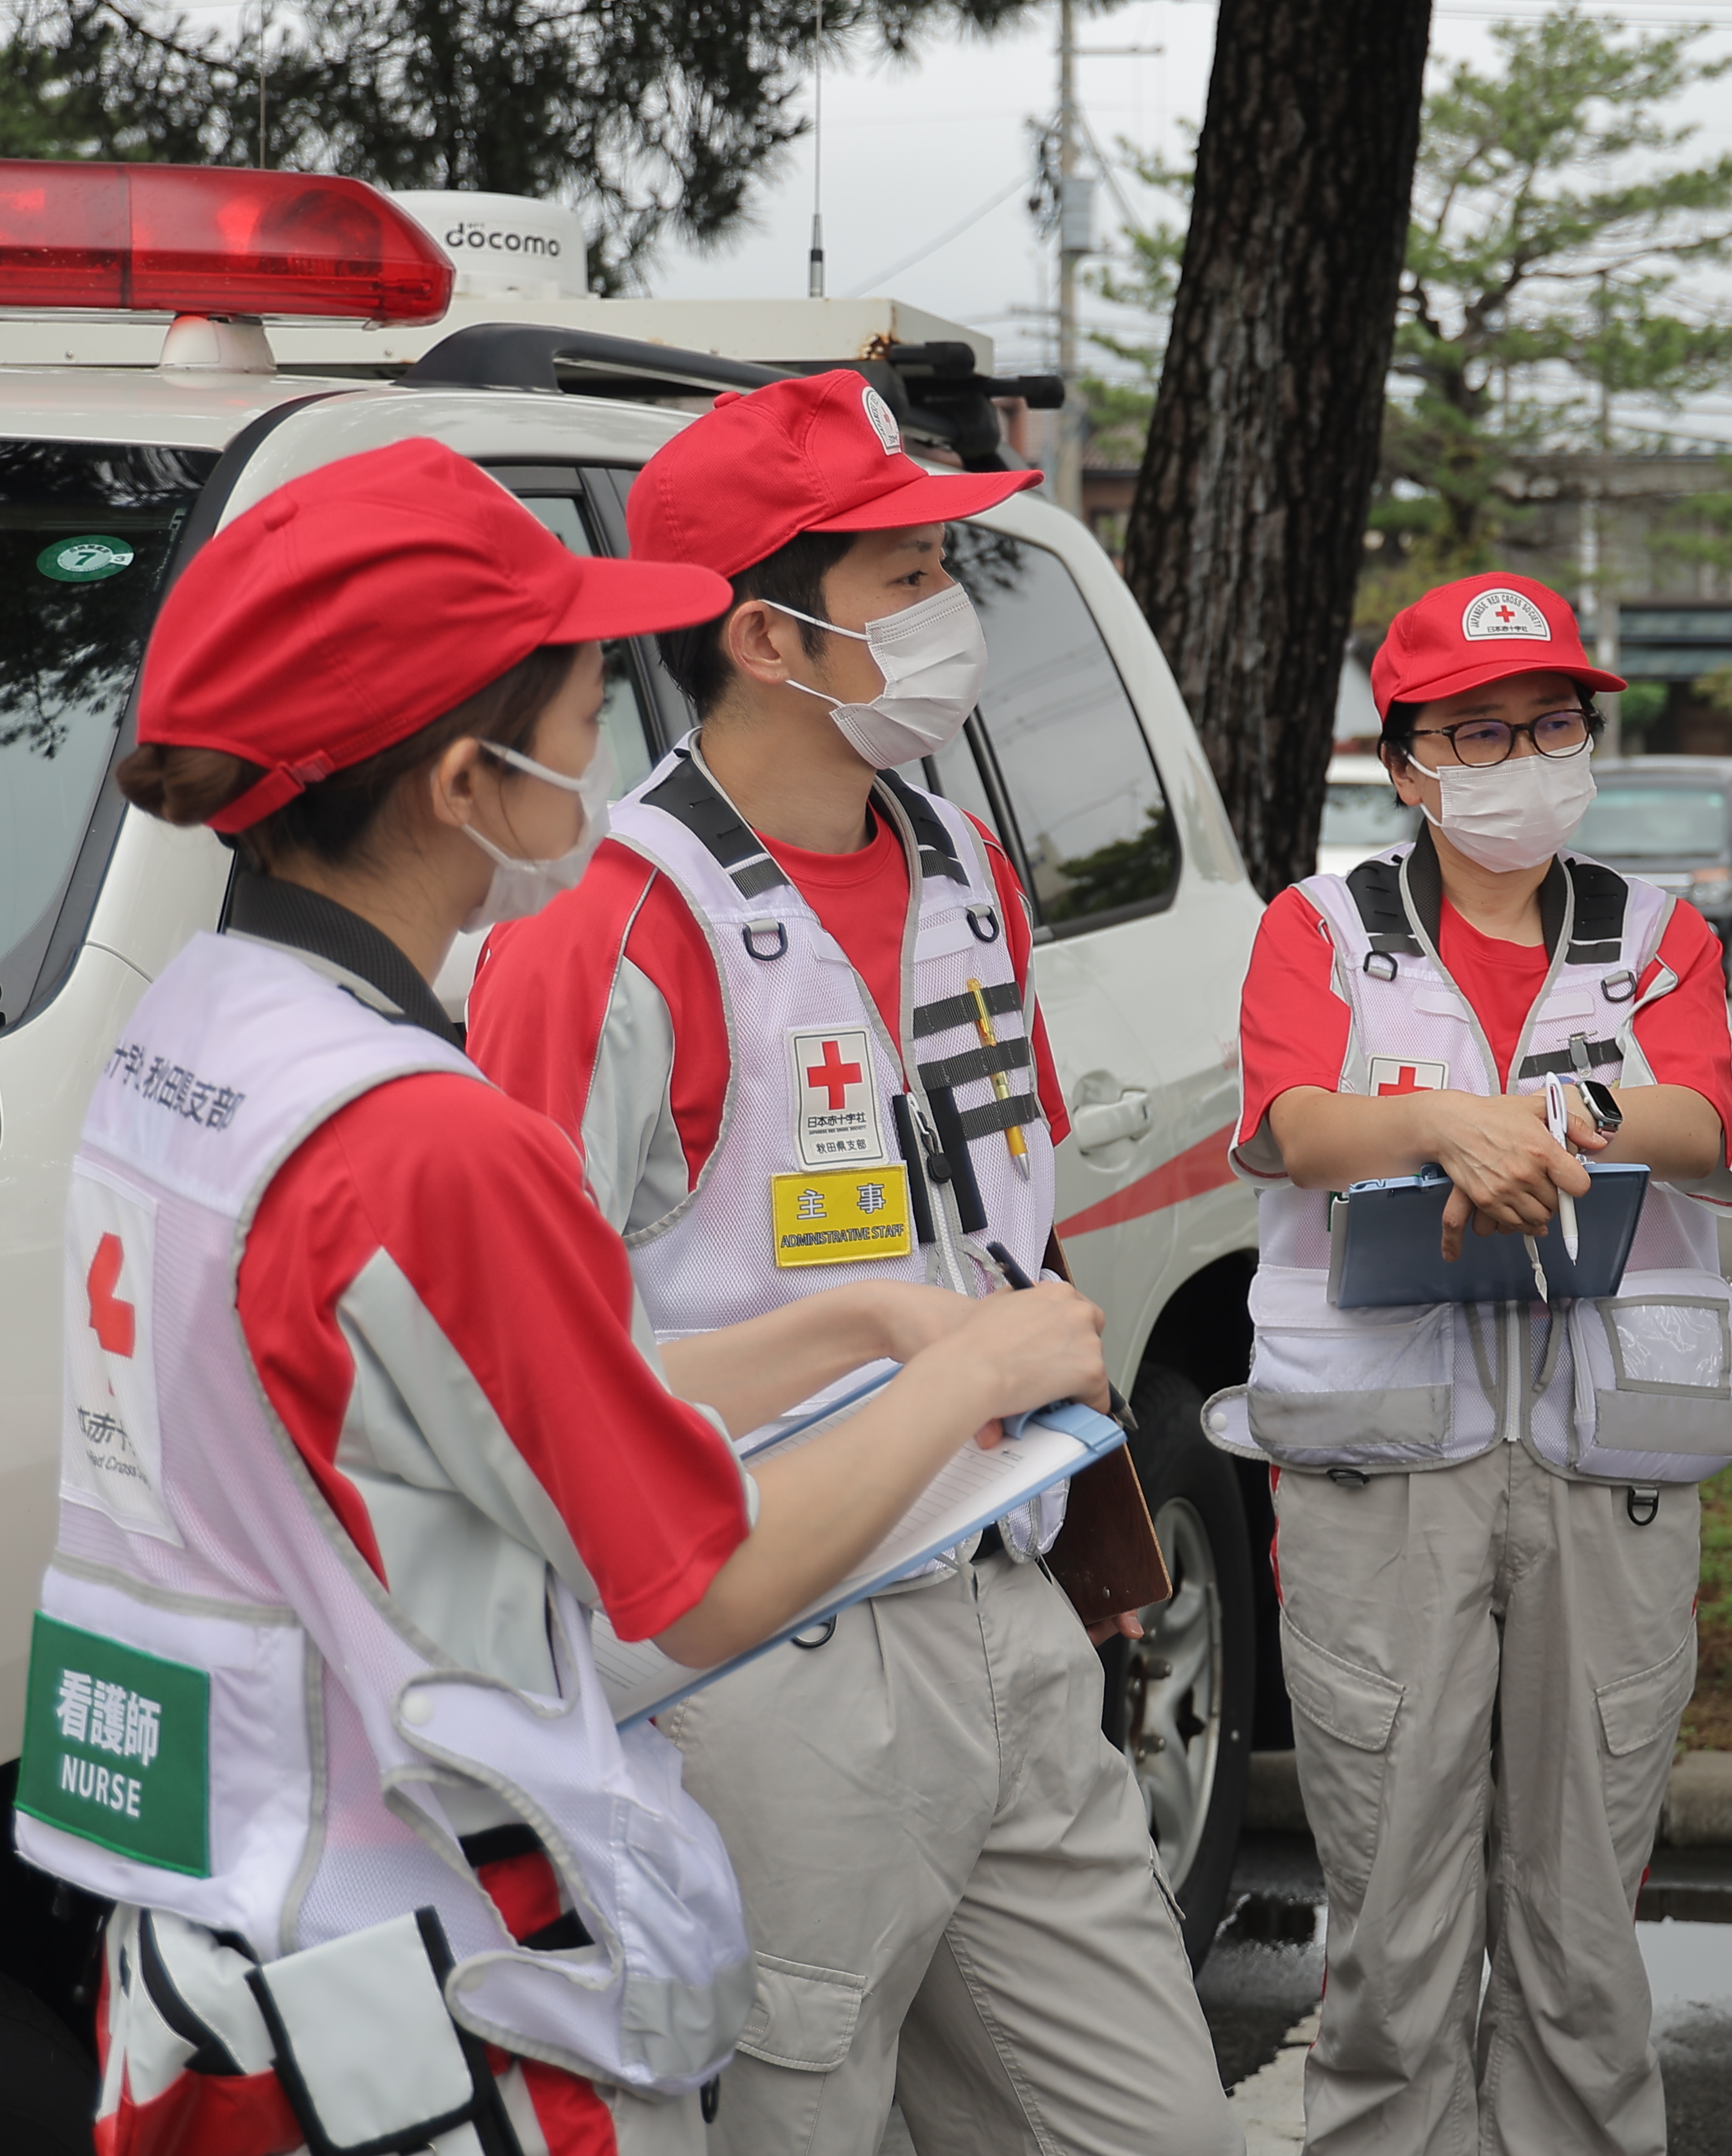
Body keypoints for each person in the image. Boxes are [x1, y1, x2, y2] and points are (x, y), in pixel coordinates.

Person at [17, 440, 1110, 2156]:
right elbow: (699, 1580)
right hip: (435, 1957)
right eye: (589, 713)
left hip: (230, 1910)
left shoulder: (202, 1036)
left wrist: (850, 1328)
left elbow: (502, 1411)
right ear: (465, 782)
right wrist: (966, 1362)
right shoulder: (425, 1141)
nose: (607, 765)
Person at [467, 372, 1233, 2156]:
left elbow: (999, 1213)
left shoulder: (961, 857)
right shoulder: (606, 925)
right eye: (908, 579)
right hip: (773, 1671)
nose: (956, 610)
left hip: (1013, 1614)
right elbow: (516, 1357)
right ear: (770, 634)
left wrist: (1087, 1522)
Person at [1204, 572, 1732, 2156]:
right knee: (1389, 1909)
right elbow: (1299, 1123)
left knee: (1587, 1921)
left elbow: (1699, 1120)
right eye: (1485, 730)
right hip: (1388, 1476)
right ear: (1408, 761)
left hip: (1610, 1473)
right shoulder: (1315, 929)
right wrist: (1441, 1121)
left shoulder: (1659, 934)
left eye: (1556, 723)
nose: (1528, 755)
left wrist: (1544, 1123)